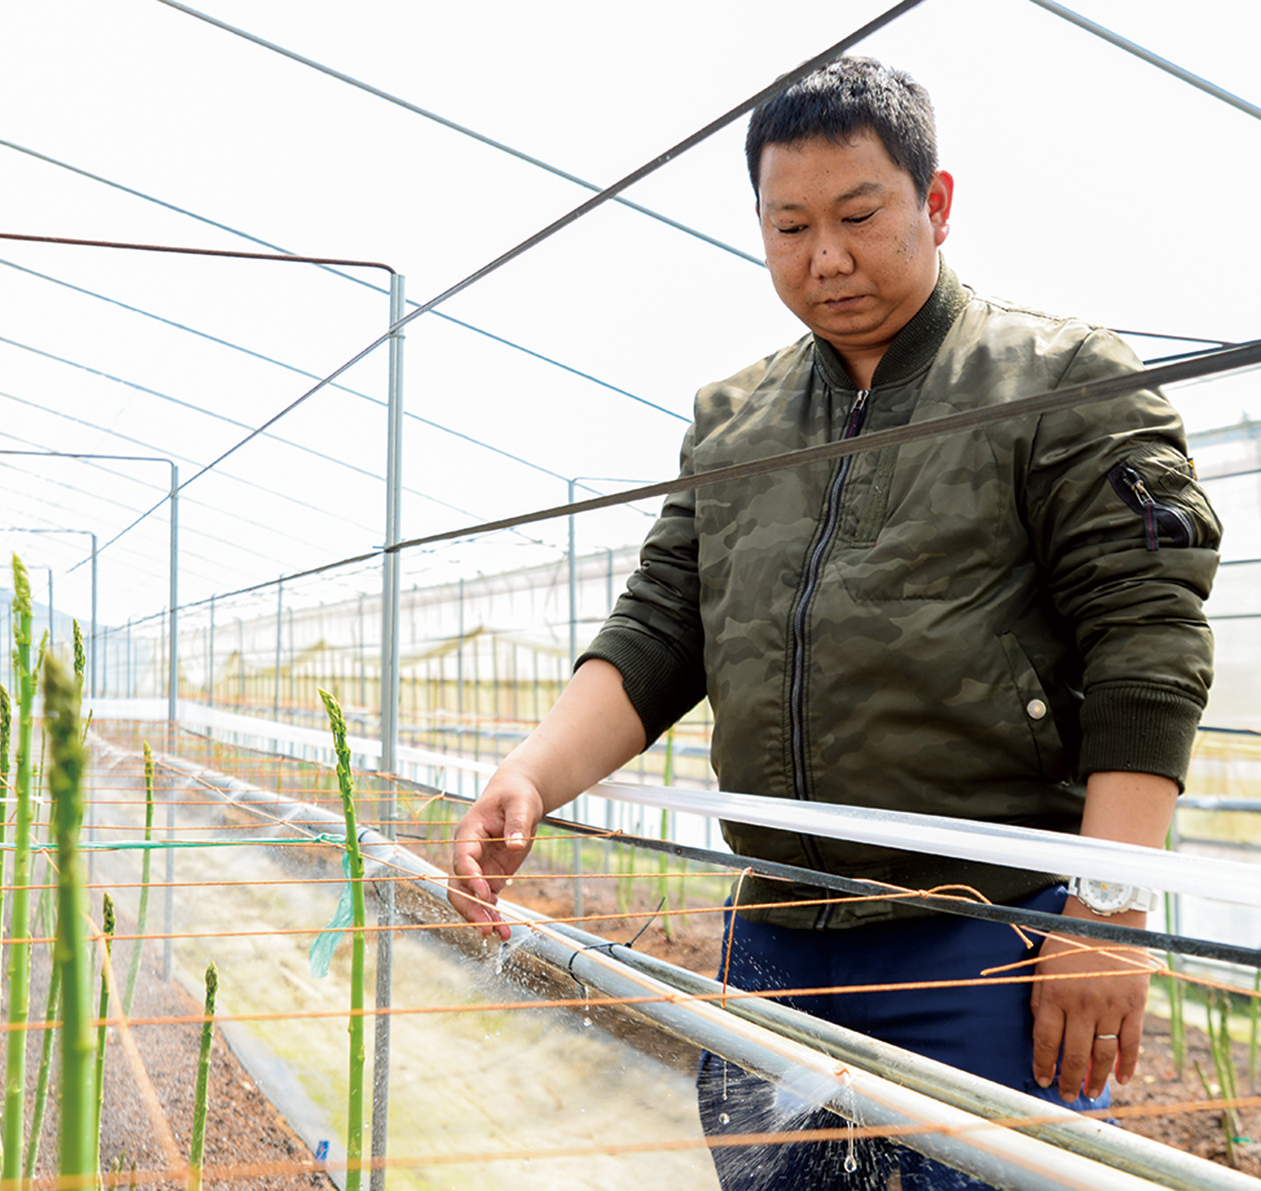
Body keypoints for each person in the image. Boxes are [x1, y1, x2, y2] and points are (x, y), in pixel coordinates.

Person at [447, 57, 1222, 1189]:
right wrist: (530, 775)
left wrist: (1107, 916)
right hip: (774, 933)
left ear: (935, 201)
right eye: (789, 226)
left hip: (982, 937)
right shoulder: (736, 420)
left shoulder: (1060, 382)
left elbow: (1146, 646)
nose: (826, 257)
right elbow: (663, 630)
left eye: (859, 216)